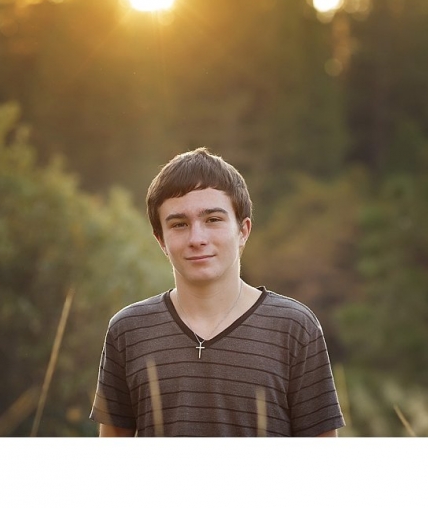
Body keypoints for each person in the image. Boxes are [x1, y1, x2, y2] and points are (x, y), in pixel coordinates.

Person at [89, 148, 345, 436]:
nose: (197, 238)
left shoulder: (295, 328)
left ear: (243, 230)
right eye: (179, 224)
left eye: (213, 219)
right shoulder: (128, 330)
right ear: (160, 239)